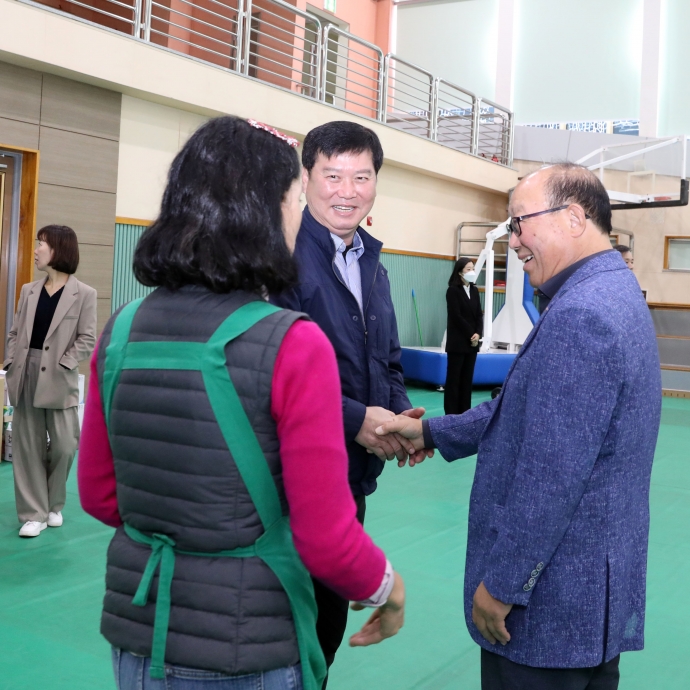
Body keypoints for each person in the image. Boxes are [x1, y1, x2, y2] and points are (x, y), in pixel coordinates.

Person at [77, 116, 406, 690]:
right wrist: (388, 588)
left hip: (141, 630)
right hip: (249, 637)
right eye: (294, 198)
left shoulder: (122, 329)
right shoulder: (290, 341)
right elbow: (325, 537)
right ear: (263, 212)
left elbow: (100, 495)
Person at [377, 163, 661, 690]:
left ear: (573, 218)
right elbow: (528, 409)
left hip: (552, 606)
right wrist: (432, 432)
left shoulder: (582, 315)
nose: (513, 240)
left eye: (519, 222)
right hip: (592, 600)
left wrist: (505, 585)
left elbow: (553, 475)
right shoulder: (613, 292)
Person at [275, 120, 422, 682]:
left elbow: (386, 359)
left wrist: (399, 415)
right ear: (306, 177)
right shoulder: (281, 259)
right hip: (292, 485)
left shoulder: (371, 264)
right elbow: (271, 372)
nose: (347, 191)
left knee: (325, 634)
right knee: (290, 640)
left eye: (361, 177)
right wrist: (359, 418)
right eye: (333, 175)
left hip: (352, 481)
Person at [4, 225, 96, 538]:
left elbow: (87, 338)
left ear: (58, 249)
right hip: (25, 373)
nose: (36, 249)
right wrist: (11, 361)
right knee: (28, 446)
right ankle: (34, 514)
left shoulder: (84, 294)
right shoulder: (28, 290)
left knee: (65, 445)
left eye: (41, 243)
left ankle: (53, 503)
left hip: (59, 375)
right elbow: (15, 332)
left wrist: (66, 361)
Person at [444, 257, 483, 414]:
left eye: (473, 268)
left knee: (467, 381)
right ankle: (451, 414)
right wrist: (470, 334)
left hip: (472, 344)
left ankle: (465, 413)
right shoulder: (453, 291)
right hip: (458, 343)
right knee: (454, 381)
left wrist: (478, 334)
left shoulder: (474, 291)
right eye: (468, 269)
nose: (472, 271)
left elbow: (479, 314)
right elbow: (456, 316)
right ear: (460, 272)